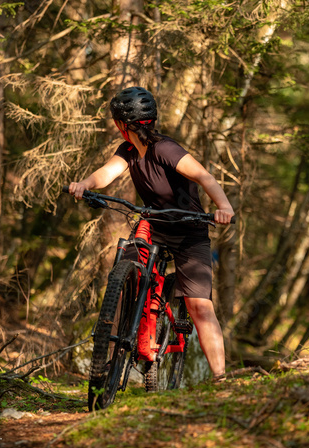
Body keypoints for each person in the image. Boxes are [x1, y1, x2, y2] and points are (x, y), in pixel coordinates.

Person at [69, 86, 235, 382]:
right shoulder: (128, 151)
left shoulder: (165, 148)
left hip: (189, 229)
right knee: (126, 271)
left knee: (199, 305)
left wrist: (223, 207)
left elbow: (203, 176)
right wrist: (85, 183)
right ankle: (118, 351)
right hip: (155, 224)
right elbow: (106, 174)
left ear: (121, 124)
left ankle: (221, 379)